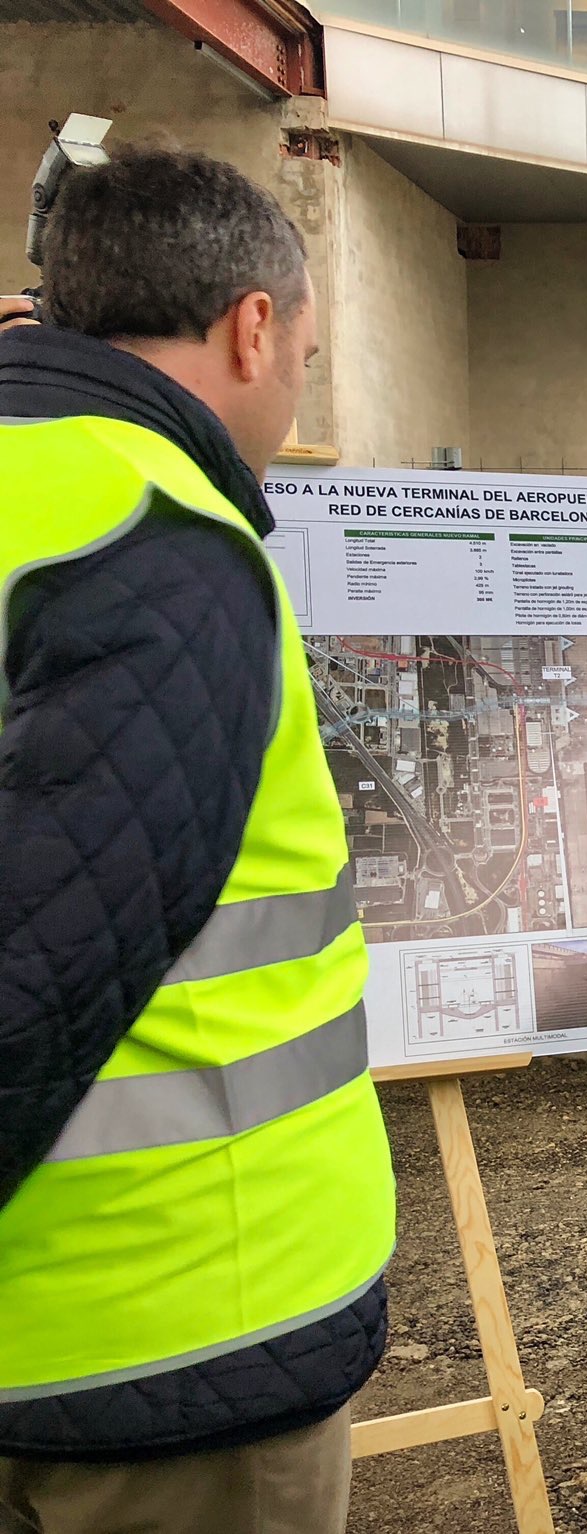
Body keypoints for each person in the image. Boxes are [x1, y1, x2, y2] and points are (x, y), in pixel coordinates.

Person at [0, 148, 395, 1533]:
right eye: (306, 355)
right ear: (251, 327)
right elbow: (40, 970)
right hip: (166, 1324)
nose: (295, 390)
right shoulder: (156, 539)